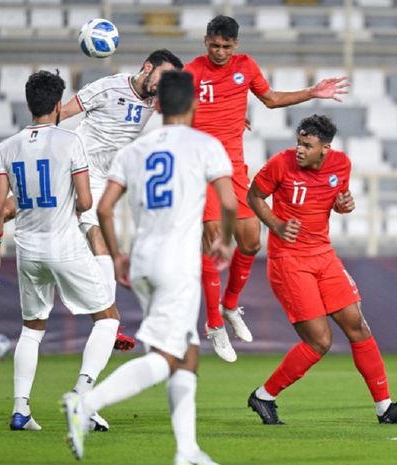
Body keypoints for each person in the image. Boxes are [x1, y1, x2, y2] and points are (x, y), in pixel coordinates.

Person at [0, 50, 185, 351]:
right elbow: (60, 113)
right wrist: (21, 142)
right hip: (72, 165)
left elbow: (189, 104)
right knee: (7, 209)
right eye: (164, 76)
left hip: (101, 180)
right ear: (147, 68)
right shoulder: (108, 87)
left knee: (98, 240)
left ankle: (111, 325)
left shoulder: (156, 99)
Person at [61, 70, 236, 465]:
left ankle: (187, 450)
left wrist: (119, 254)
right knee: (166, 357)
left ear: (157, 105)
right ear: (193, 104)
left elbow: (103, 207)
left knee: (187, 352)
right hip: (177, 262)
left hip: (142, 258)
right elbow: (228, 203)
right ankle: (85, 403)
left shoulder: (134, 151)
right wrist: (224, 240)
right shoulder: (205, 145)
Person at [183, 15, 350, 362]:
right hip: (201, 169)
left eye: (226, 47)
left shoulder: (246, 66)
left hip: (233, 169)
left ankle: (230, 306)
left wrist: (313, 92)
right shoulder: (192, 71)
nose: (219, 52)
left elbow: (270, 99)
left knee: (251, 241)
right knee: (215, 243)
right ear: (205, 41)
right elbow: (176, 114)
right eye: (214, 45)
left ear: (236, 46)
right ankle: (213, 325)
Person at [245, 114, 397, 425]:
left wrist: (344, 204)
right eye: (298, 143)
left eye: (307, 145)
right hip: (289, 261)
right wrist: (275, 224)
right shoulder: (281, 163)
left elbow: (337, 200)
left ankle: (385, 408)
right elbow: (254, 195)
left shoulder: (341, 164)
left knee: (358, 326)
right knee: (320, 342)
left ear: (325, 148)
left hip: (324, 256)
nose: (299, 150)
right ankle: (264, 395)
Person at [0, 70, 118, 432]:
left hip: (26, 248)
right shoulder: (70, 141)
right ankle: (82, 396)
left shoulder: (8, 147)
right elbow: (86, 200)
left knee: (32, 330)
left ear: (28, 103)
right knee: (108, 320)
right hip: (65, 244)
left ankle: (20, 410)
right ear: (59, 105)